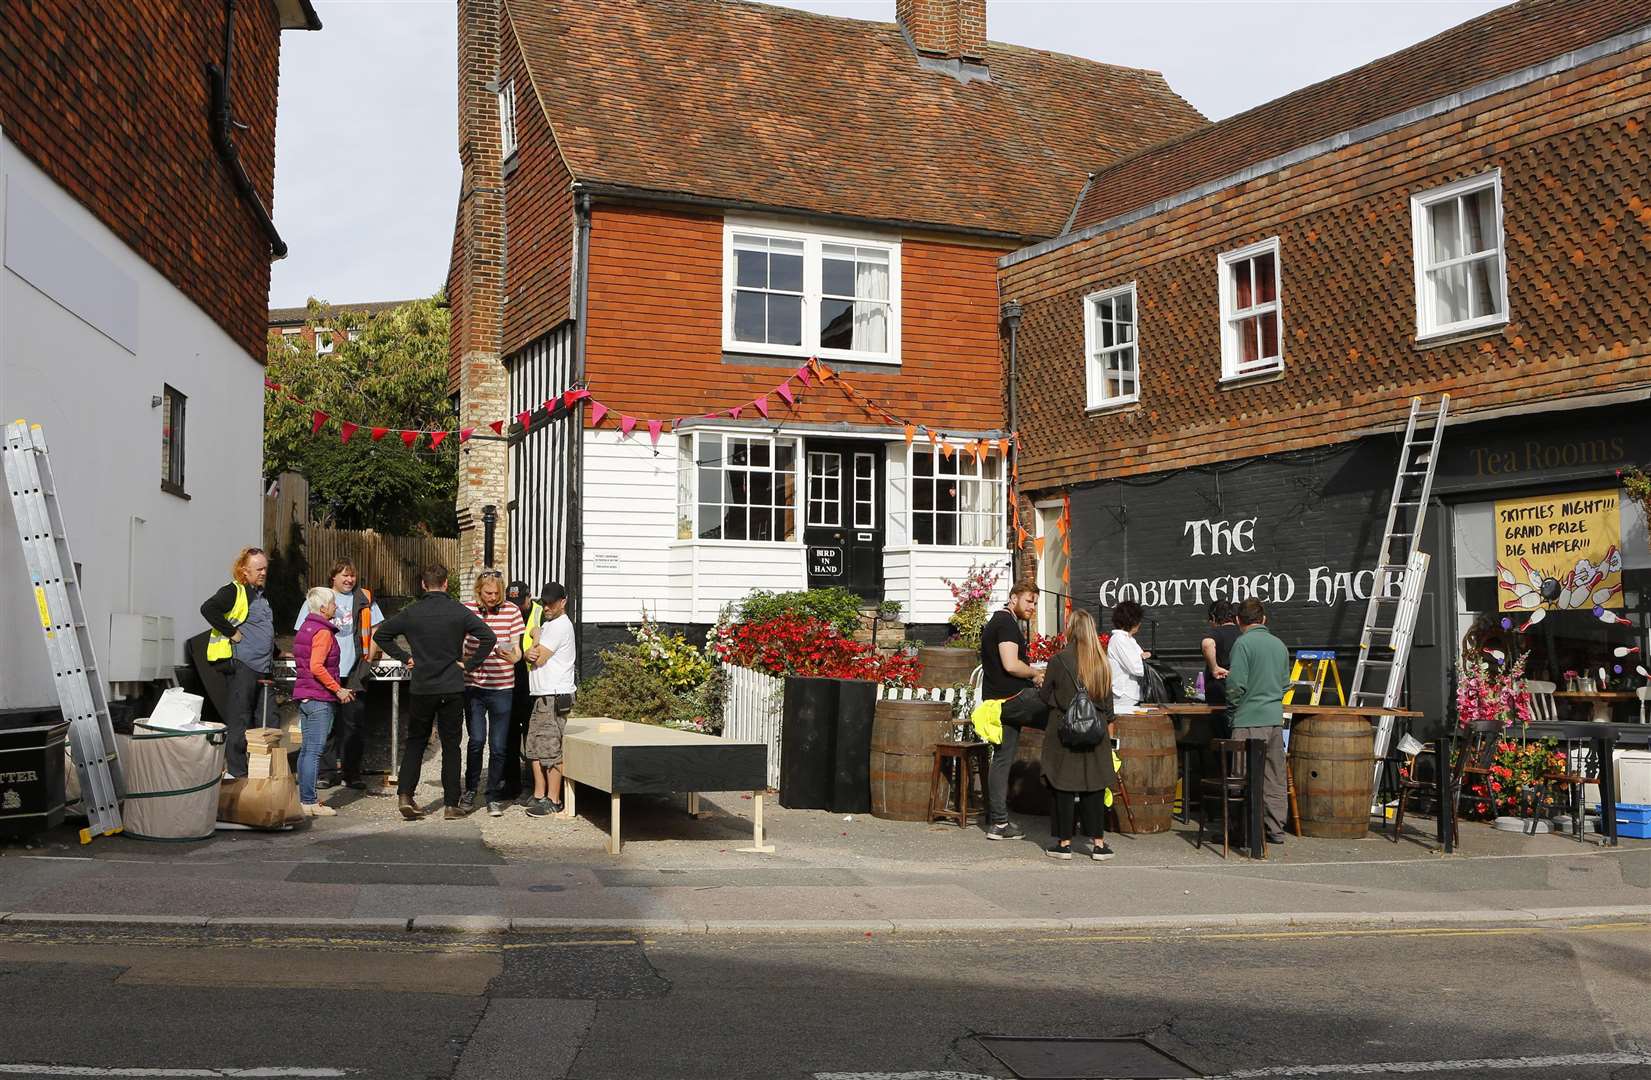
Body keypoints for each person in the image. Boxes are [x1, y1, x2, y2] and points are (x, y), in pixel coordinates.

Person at [374, 564, 497, 821]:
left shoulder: (412, 613)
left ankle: (406, 794)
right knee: (452, 745)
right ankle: (452, 804)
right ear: (445, 583)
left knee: (416, 741)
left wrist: (405, 657)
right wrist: (470, 664)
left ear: (423, 584)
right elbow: (488, 636)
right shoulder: (458, 611)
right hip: (452, 685)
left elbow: (382, 635)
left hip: (422, 685)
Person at [293, 559, 382, 790]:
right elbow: (302, 632)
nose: (349, 580)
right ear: (333, 577)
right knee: (327, 725)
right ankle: (326, 772)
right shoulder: (319, 598)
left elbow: (375, 631)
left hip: (353, 672)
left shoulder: (364, 597)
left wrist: (368, 659)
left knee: (354, 724)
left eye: (352, 575)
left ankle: (352, 773)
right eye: (344, 575)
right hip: (325, 672)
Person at [1037, 609, 1118, 862]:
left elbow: (1045, 696)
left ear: (1071, 630)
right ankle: (1098, 843)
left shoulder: (1059, 660)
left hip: (1064, 730)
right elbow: (1108, 706)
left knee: (1063, 784)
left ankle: (1064, 843)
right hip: (1096, 732)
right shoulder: (1102, 662)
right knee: (1093, 785)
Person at [979, 581, 1045, 841]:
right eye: (1029, 601)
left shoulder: (998, 622)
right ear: (1013, 598)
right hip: (1013, 698)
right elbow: (1010, 664)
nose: (1032, 607)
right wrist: (1036, 674)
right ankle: (1070, 810)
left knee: (1003, 758)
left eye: (1035, 603)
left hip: (997, 702)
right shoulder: (1005, 623)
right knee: (1062, 720)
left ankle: (999, 824)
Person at [199, 547, 274, 779]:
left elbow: (259, 626)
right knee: (239, 719)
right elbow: (208, 608)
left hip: (263, 666)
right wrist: (232, 632)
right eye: (258, 569)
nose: (263, 573)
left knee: (267, 720)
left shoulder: (260, 594)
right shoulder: (235, 591)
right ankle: (237, 773)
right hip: (243, 664)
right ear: (245, 570)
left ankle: (262, 771)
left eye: (265, 568)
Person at [1225, 597, 1292, 845]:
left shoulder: (1243, 644)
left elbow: (1235, 685)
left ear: (1238, 620)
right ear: (1263, 619)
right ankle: (1275, 829)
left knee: (1241, 776)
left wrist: (1232, 711)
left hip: (1248, 719)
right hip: (1274, 718)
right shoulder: (1279, 645)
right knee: (1274, 775)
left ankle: (1241, 829)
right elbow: (1285, 683)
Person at [462, 571, 526, 816]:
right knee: (476, 740)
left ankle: (492, 795)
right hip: (474, 686)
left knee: (498, 746)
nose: (493, 598)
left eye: (497, 594)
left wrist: (513, 656)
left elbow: (517, 651)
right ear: (479, 590)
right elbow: (459, 647)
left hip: (502, 686)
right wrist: (467, 659)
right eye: (488, 593)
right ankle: (469, 790)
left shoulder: (511, 611)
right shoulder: (467, 609)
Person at [291, 587, 357, 817]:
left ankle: (302, 799)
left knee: (306, 750)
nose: (335, 607)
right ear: (322, 608)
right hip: (319, 698)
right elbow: (317, 666)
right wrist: (338, 689)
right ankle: (309, 801)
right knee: (315, 750)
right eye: (332, 604)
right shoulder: (323, 632)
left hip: (305, 695)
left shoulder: (305, 629)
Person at [523, 582, 577, 818]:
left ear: (563, 602)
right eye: (544, 602)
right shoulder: (550, 624)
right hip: (542, 694)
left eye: (551, 603)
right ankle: (539, 794)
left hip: (553, 695)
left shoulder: (558, 626)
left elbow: (538, 658)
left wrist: (535, 636)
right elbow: (528, 656)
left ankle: (554, 799)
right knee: (534, 746)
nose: (546, 607)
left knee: (551, 748)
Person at [500, 579, 535, 802]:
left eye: (519, 602)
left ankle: (533, 784)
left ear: (528, 597)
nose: (515, 607)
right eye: (511, 601)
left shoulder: (540, 612)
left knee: (532, 735)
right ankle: (511, 784)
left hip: (534, 682)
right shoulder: (505, 611)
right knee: (509, 735)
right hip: (510, 680)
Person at [1108, 600, 1151, 713]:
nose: (1140, 623)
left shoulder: (1129, 640)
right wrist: (1143, 658)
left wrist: (1144, 657)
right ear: (1132, 621)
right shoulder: (1119, 640)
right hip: (1124, 696)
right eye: (1138, 620)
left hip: (1132, 694)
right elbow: (1136, 667)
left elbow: (1143, 658)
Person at [1200, 600, 1242, 707]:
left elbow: (1207, 644)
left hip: (1219, 691)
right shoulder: (1243, 633)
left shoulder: (1216, 632)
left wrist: (1214, 668)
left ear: (1214, 617)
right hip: (1241, 689)